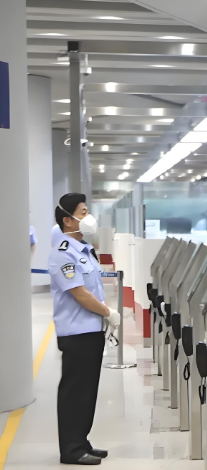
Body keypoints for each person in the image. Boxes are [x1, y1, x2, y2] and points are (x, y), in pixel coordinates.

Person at [48, 193, 120, 466]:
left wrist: (103, 315)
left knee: (87, 391)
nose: (88, 217)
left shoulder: (84, 249)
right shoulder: (63, 254)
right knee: (75, 392)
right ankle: (71, 449)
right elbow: (80, 294)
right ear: (67, 220)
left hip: (90, 330)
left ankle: (81, 441)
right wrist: (108, 312)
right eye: (82, 212)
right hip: (76, 333)